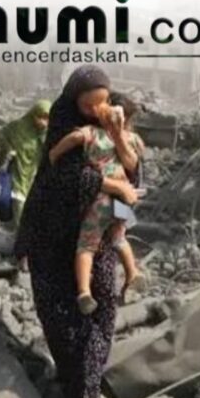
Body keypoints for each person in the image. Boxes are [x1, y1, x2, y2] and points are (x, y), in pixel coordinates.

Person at [15, 65, 139, 398]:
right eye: (89, 104)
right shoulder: (63, 123)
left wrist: (118, 136)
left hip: (96, 237)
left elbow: (133, 173)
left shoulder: (113, 124)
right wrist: (113, 186)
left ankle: (86, 386)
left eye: (103, 101)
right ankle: (84, 397)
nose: (97, 109)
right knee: (64, 319)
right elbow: (62, 175)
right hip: (54, 241)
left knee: (103, 311)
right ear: (74, 100)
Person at [48, 94, 146, 315]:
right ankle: (132, 272)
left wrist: (55, 152)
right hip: (124, 201)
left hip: (101, 199)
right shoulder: (130, 138)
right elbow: (137, 156)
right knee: (119, 238)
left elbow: (74, 138)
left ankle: (84, 291)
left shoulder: (92, 133)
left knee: (86, 246)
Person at [0, 99, 50, 228]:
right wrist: (8, 148)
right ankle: (20, 234)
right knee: (19, 202)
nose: (44, 122)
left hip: (34, 173)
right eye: (40, 117)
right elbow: (0, 135)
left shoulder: (46, 132)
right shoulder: (17, 127)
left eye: (47, 118)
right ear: (33, 115)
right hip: (18, 170)